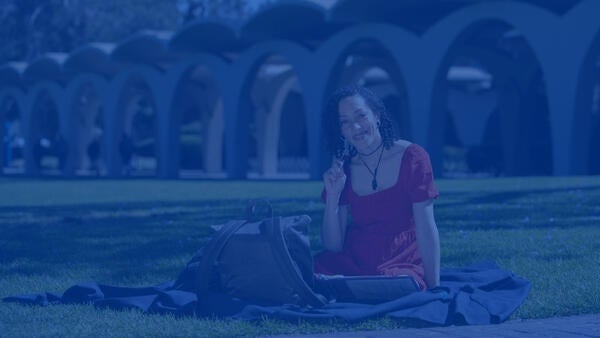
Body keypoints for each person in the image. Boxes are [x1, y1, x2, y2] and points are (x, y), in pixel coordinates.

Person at [315, 85, 440, 290]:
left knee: (393, 284)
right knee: (312, 270)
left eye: (361, 116)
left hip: (401, 259)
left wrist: (436, 287)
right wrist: (332, 196)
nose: (355, 127)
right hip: (357, 259)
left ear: (377, 116)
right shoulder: (344, 169)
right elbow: (333, 247)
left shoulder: (413, 157)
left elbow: (426, 228)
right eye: (345, 122)